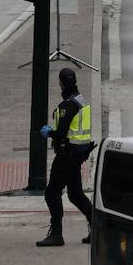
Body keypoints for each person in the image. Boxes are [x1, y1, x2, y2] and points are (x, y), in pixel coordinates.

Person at [37, 68, 94, 247]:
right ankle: (98, 229)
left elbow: (61, 134)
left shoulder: (67, 105)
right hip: (79, 154)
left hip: (66, 155)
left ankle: (56, 234)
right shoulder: (82, 101)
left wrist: (48, 133)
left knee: (52, 193)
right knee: (76, 195)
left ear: (61, 83)